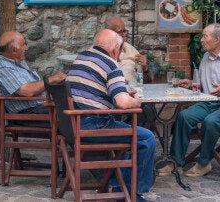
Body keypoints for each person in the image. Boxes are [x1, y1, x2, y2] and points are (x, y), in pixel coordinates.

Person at [67, 29, 156, 201]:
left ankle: (119, 186)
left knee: (131, 135)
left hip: (73, 125)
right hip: (95, 125)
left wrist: (120, 96)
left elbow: (94, 92)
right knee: (145, 138)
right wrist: (136, 101)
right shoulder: (111, 65)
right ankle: (131, 194)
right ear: (116, 49)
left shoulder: (81, 58)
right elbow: (123, 103)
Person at [157, 23, 220, 177]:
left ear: (217, 39)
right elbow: (205, 86)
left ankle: (204, 163)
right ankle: (176, 162)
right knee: (183, 116)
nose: (201, 39)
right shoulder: (206, 57)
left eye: (205, 36)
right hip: (208, 102)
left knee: (210, 121)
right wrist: (192, 84)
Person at [0, 31, 66, 116]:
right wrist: (53, 79)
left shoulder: (18, 62)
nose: (26, 48)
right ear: (13, 50)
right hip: (30, 113)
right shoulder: (3, 68)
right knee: (73, 114)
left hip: (41, 108)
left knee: (77, 105)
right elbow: (26, 91)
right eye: (23, 45)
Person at [105, 16, 150, 83]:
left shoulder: (130, 50)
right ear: (109, 33)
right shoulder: (99, 51)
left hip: (133, 91)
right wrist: (117, 82)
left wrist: (145, 69)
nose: (124, 35)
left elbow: (145, 81)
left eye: (124, 31)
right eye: (120, 32)